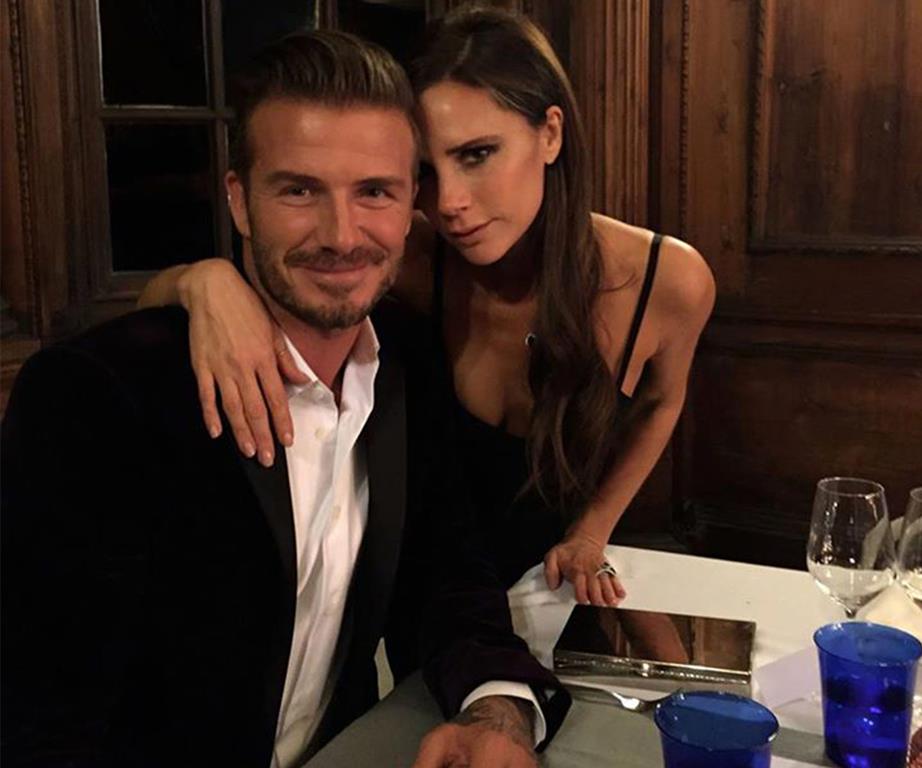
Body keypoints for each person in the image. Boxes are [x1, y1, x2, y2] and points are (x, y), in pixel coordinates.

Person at [0, 29, 567, 768]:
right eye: (299, 190)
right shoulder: (98, 397)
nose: (341, 235)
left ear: (411, 205)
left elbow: (448, 579)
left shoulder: (408, 361)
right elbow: (41, 715)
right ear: (240, 201)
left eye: (374, 192)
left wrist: (500, 711)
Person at [140, 7, 715, 607]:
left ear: (550, 133)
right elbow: (154, 309)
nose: (449, 204)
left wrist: (592, 530)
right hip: (421, 597)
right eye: (426, 173)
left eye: (477, 154)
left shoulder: (665, 280)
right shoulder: (407, 253)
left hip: (554, 589)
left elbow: (662, 399)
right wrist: (204, 281)